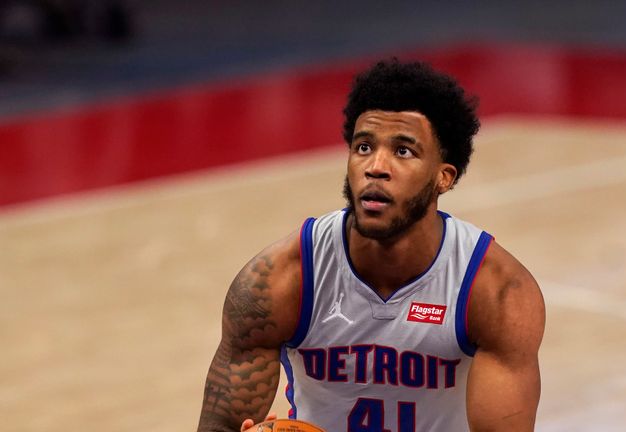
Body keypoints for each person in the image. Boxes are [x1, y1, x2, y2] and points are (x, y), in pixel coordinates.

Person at [197, 59, 545, 432]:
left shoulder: (496, 292)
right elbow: (220, 426)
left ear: (443, 178)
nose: (375, 166)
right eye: (363, 147)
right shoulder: (279, 279)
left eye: (403, 151)